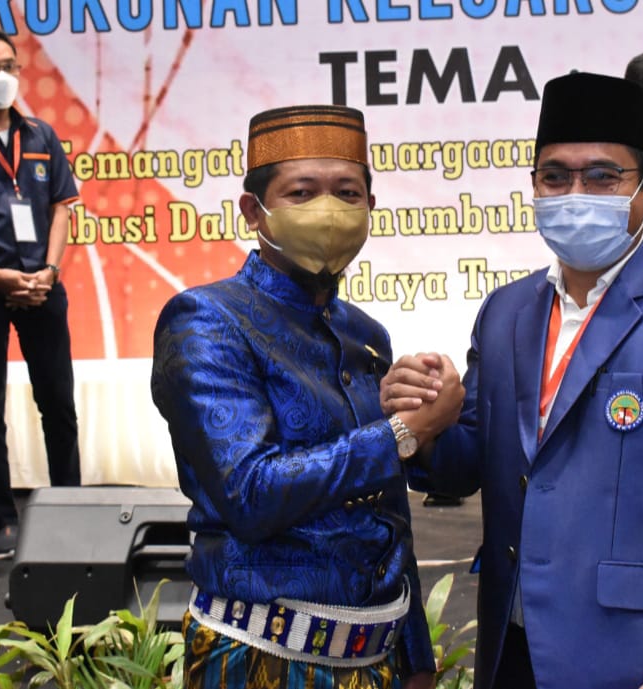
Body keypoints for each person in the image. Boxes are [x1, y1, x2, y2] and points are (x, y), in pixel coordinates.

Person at [382, 73, 643, 689]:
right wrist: (424, 422)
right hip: (513, 645)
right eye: (555, 177)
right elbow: (470, 464)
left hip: (637, 656)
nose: (574, 194)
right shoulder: (506, 312)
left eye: (601, 177)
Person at [151, 105, 438, 688]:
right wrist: (404, 433)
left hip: (376, 659)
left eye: (347, 193)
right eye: (301, 193)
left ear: (370, 207)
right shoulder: (207, 321)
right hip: (259, 657)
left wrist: (416, 656)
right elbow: (251, 494)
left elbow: (386, 509)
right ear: (253, 210)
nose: (327, 211)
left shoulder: (366, 335)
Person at [0, 27, 81, 561]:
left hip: (42, 286)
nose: (1, 75)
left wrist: (49, 270)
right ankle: (3, 520)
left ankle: (72, 507)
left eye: (9, 65)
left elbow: (61, 207)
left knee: (58, 403)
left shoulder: (41, 134)